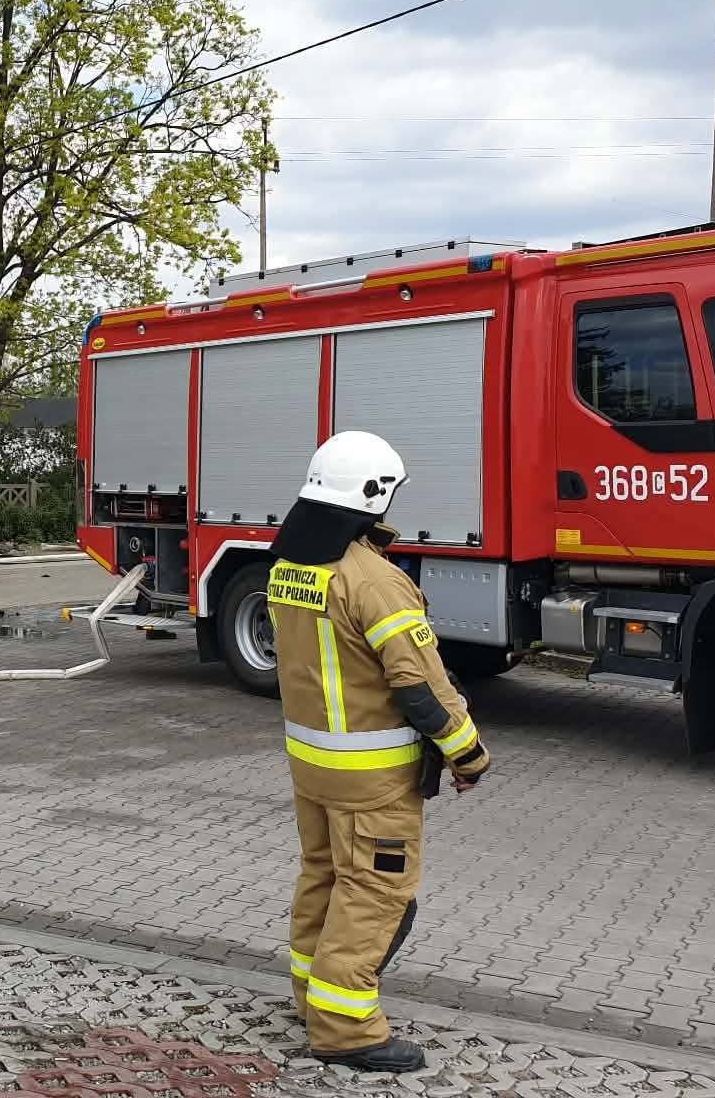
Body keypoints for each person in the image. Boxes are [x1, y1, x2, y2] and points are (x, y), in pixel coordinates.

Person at [266, 430, 491, 1073]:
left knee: (323, 875)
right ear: (375, 495)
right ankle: (345, 1029)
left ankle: (312, 998)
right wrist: (468, 754)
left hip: (312, 765)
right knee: (374, 891)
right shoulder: (376, 581)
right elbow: (419, 685)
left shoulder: (290, 567)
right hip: (372, 778)